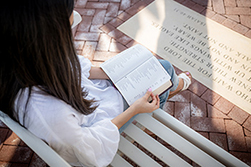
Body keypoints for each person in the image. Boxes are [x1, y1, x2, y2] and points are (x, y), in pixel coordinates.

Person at [0, 0, 192, 166]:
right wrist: (135, 109)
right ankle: (176, 87)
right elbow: (91, 147)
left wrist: (119, 73)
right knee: (164, 70)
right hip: (103, 123)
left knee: (152, 67)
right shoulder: (51, 113)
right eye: (70, 19)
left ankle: (170, 86)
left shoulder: (23, 60)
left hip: (92, 98)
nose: (74, 21)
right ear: (50, 33)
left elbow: (79, 69)